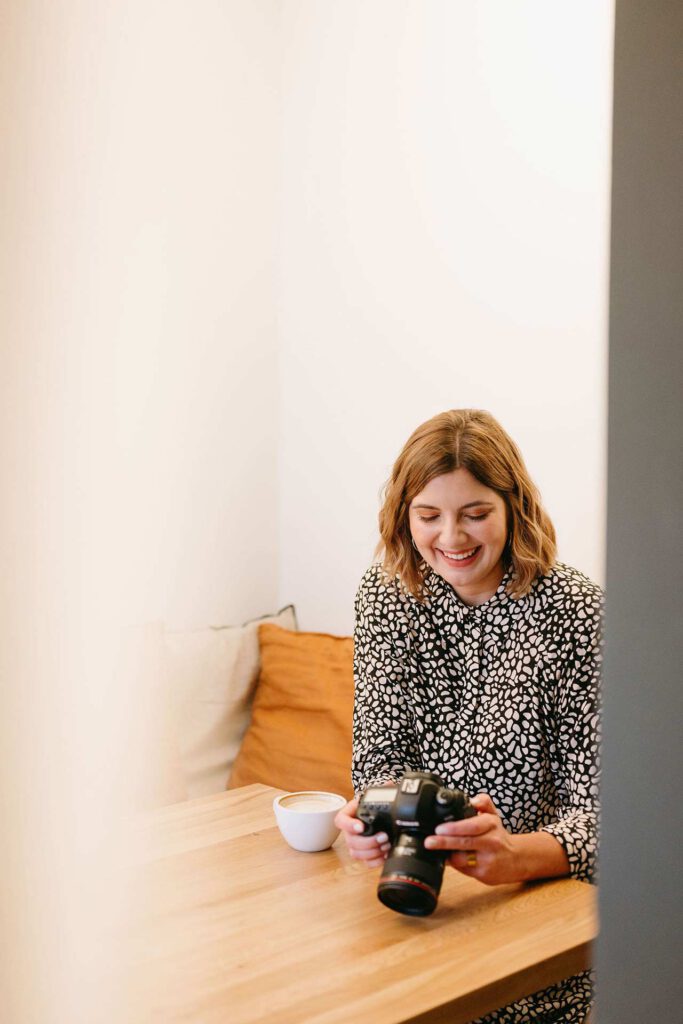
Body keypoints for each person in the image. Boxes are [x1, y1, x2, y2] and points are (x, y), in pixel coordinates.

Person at [335, 409, 602, 1024]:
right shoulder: (386, 595)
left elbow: (610, 818)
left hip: (538, 931)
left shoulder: (575, 613)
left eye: (475, 514)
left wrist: (516, 855)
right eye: (429, 516)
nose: (451, 538)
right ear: (405, 514)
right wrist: (369, 820)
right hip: (414, 911)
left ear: (514, 508)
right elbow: (378, 766)